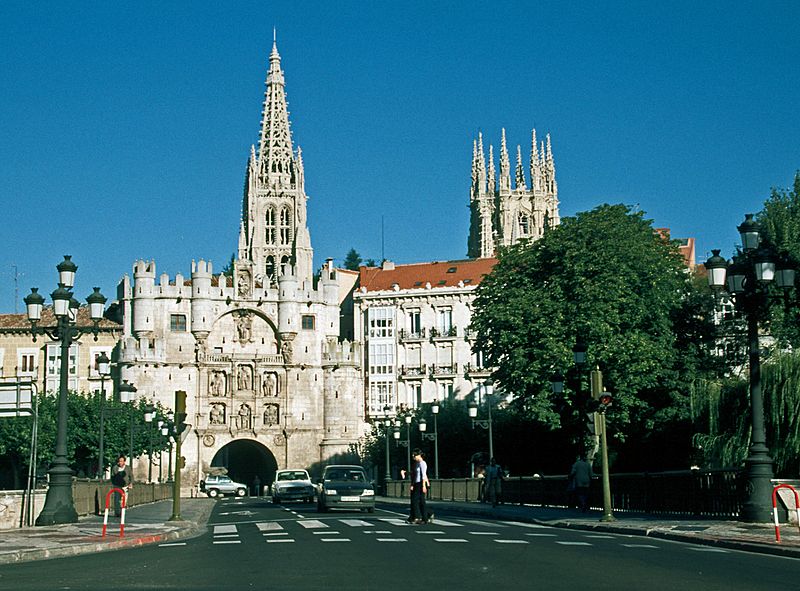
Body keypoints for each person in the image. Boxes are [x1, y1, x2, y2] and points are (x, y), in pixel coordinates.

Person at [408, 449, 434, 524]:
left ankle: (417, 517)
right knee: (421, 502)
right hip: (416, 483)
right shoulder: (417, 463)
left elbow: (423, 475)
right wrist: (413, 484)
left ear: (419, 455)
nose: (413, 456)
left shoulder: (423, 463)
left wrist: (424, 486)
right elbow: (415, 474)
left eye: (414, 455)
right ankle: (426, 516)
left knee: (415, 500)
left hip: (421, 483)